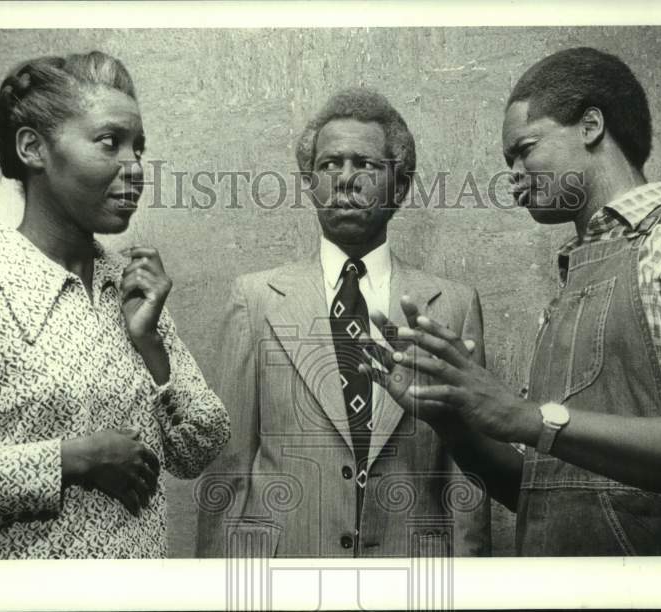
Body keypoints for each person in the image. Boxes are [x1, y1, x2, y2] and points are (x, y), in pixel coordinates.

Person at [363, 47, 661, 556]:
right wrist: (453, 417)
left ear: (591, 125)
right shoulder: (571, 285)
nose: (513, 176)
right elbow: (542, 492)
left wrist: (528, 417)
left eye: (525, 148)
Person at [0, 51, 230, 559]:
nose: (135, 168)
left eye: (139, 148)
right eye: (110, 143)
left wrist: (151, 346)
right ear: (33, 148)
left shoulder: (129, 286)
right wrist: (73, 460)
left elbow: (200, 449)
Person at [195, 88, 490, 558]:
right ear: (311, 182)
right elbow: (227, 469)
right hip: (283, 574)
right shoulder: (255, 301)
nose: (345, 179)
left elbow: (469, 476)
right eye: (330, 164)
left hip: (412, 572)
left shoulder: (451, 304)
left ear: (399, 184)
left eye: (366, 165)